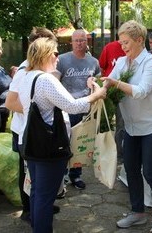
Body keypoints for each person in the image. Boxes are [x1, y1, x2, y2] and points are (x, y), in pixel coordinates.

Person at [15, 37, 106, 233]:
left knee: (38, 192)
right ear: (46, 54)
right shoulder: (46, 80)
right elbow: (73, 106)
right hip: (49, 146)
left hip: (31, 142)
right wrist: (97, 95)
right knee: (46, 196)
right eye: (56, 53)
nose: (58, 58)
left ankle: (37, 227)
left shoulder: (26, 76)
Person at [101, 20, 152, 233]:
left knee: (151, 172)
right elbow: (108, 82)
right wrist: (96, 83)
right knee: (130, 169)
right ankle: (138, 212)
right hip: (133, 125)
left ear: (139, 40)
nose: (123, 47)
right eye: (121, 43)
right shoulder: (122, 62)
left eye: (126, 42)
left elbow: (140, 92)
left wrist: (114, 83)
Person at [5, 27, 60, 223]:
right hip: (27, 132)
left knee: (36, 178)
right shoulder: (25, 69)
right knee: (30, 174)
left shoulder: (37, 69)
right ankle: (30, 210)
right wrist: (37, 113)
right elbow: (10, 102)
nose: (54, 53)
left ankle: (39, 207)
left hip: (31, 131)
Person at [56, 29, 101, 190]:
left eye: (82, 40)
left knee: (80, 142)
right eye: (76, 40)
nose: (79, 43)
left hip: (85, 108)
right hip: (66, 108)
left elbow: (99, 80)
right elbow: (55, 81)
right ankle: (61, 177)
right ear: (71, 42)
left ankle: (76, 175)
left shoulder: (93, 62)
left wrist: (95, 81)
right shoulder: (62, 60)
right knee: (64, 143)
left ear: (86, 41)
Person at [99, 40, 126, 161]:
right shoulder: (109, 47)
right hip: (109, 91)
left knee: (121, 123)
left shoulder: (133, 48)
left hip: (124, 91)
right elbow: (102, 66)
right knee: (106, 122)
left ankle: (119, 153)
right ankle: (103, 150)